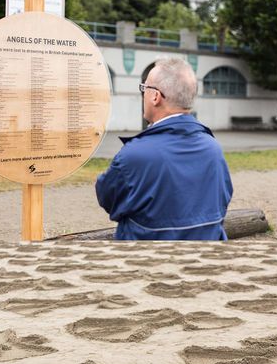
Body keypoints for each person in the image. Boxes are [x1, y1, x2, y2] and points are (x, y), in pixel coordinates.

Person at [95, 57, 233, 240]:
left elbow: (107, 198)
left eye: (144, 88)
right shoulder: (213, 148)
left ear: (155, 96)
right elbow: (223, 199)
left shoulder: (135, 155)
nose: (142, 94)